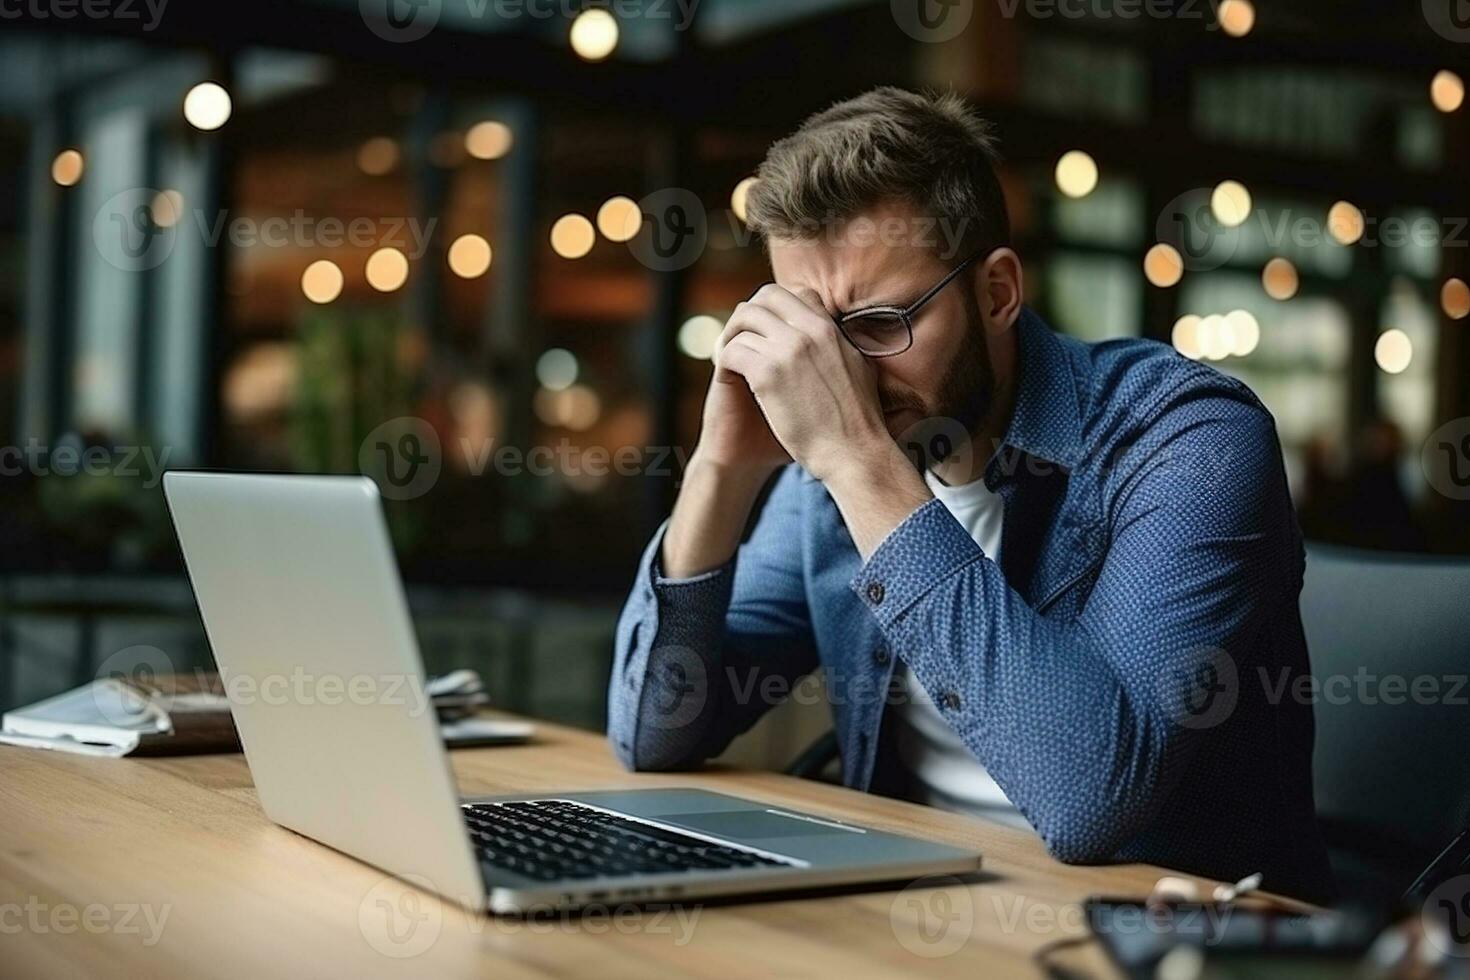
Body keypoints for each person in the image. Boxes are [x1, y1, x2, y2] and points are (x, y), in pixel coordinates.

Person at [606, 87, 1333, 902]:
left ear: (996, 293)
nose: (839, 375)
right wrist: (719, 466)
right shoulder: (829, 474)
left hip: (1157, 938)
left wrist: (856, 458)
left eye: (879, 323)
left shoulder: (1188, 442)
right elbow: (652, 735)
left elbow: (1091, 799)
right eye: (815, 334)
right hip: (911, 912)